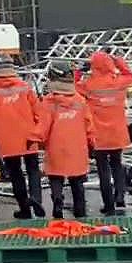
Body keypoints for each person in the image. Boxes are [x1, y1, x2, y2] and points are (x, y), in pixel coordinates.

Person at [0, 53, 44, 218]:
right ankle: (36, 198)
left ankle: (24, 209)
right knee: (33, 169)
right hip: (29, 135)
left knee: (15, 173)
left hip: (6, 138)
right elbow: (38, 112)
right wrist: (38, 132)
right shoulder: (24, 86)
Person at [77, 51, 132, 214]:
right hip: (117, 133)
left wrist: (80, 70)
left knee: (103, 170)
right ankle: (120, 197)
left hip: (99, 135)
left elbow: (72, 86)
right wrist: (118, 61)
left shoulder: (88, 85)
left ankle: (108, 204)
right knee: (117, 164)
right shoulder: (119, 83)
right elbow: (130, 75)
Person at [39, 60, 95, 219]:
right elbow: (88, 124)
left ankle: (57, 202)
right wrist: (92, 143)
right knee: (77, 182)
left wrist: (35, 141)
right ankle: (80, 211)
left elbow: (43, 128)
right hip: (77, 146)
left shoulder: (49, 102)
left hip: (56, 146)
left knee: (55, 177)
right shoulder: (80, 100)